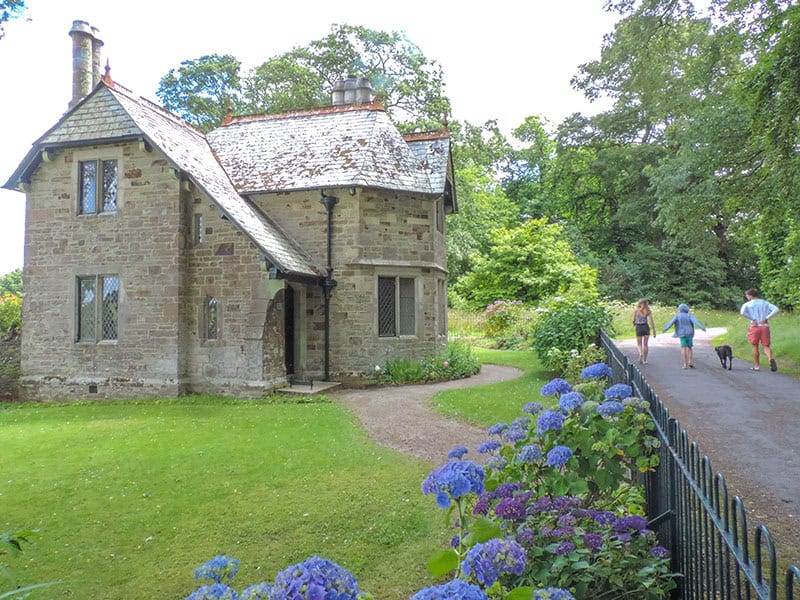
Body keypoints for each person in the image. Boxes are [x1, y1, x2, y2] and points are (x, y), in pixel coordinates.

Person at [740, 288, 780, 372]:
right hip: (764, 326)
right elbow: (776, 309)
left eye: (747, 295)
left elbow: (742, 313)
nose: (746, 297)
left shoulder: (748, 304)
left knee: (755, 345)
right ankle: (770, 359)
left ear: (750, 296)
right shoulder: (764, 303)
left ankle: (757, 366)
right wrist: (767, 318)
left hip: (754, 326)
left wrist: (752, 318)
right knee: (766, 346)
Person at [662, 303, 707, 369]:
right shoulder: (689, 315)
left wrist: (665, 328)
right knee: (689, 347)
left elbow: (671, 322)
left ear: (679, 309)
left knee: (683, 348)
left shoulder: (677, 316)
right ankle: (690, 362)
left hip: (681, 333)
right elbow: (695, 322)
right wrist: (702, 328)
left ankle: (685, 364)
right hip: (689, 333)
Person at [632, 299, 656, 364]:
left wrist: (634, 323)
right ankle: (645, 360)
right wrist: (654, 330)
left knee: (639, 344)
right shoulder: (648, 310)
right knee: (645, 344)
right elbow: (651, 321)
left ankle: (640, 353)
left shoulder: (636, 310)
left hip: (639, 327)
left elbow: (633, 320)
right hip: (646, 327)